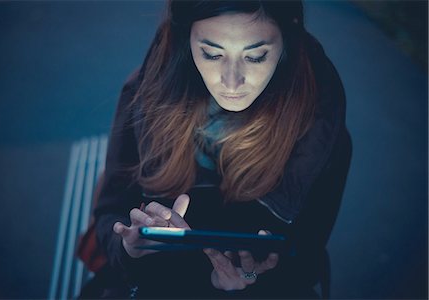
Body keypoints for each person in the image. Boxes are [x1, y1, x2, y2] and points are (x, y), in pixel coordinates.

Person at [79, 0, 352, 298]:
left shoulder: (319, 129)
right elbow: (110, 212)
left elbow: (306, 258)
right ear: (186, 39)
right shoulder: (146, 97)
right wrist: (130, 249)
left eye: (256, 56)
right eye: (211, 53)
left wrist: (251, 280)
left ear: (288, 38)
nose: (232, 81)